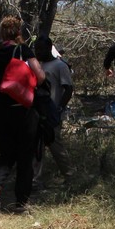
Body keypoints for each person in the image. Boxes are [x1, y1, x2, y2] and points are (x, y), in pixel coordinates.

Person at [0, 15, 46, 212]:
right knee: (25, 155)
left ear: (2, 32)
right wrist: (27, 85)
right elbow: (40, 75)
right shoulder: (23, 50)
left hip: (2, 110)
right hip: (24, 110)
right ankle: (21, 202)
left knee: (6, 153)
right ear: (18, 32)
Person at [33, 35, 73, 185]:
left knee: (56, 145)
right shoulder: (37, 65)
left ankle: (69, 175)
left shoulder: (60, 66)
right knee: (37, 147)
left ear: (49, 48)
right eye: (36, 49)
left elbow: (68, 89)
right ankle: (35, 179)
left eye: (41, 49)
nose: (38, 52)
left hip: (52, 113)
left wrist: (59, 108)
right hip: (38, 112)